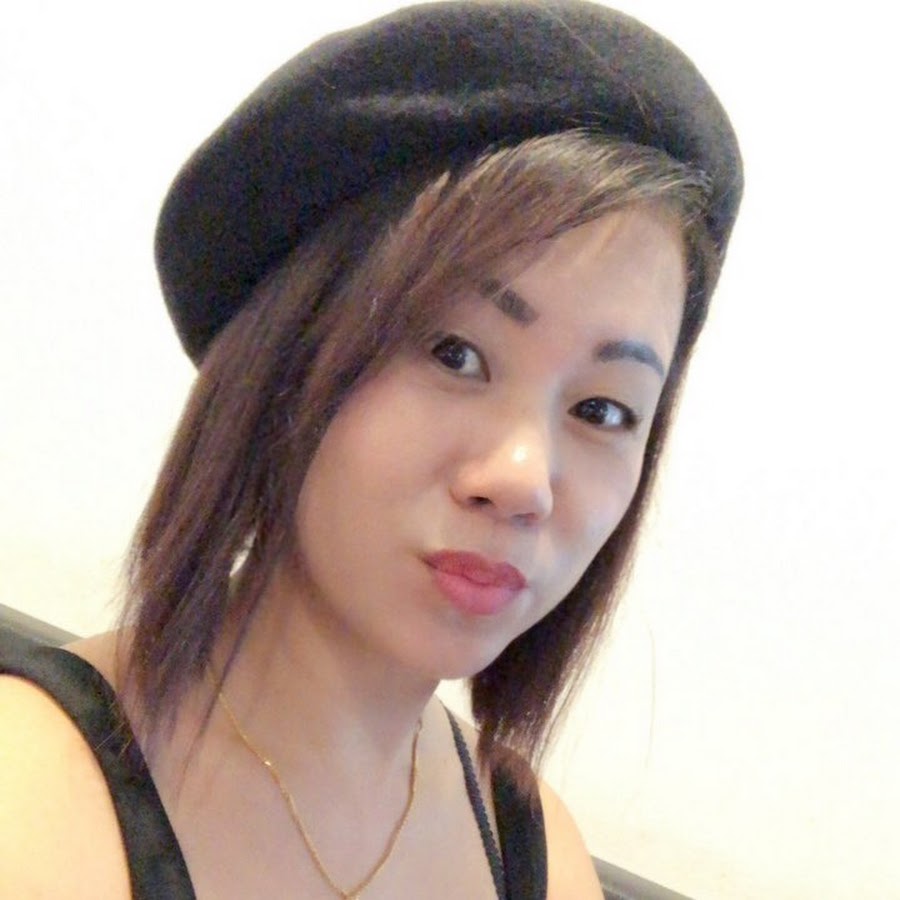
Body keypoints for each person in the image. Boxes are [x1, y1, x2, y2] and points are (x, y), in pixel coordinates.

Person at [0, 2, 742, 898]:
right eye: (455, 354)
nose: (523, 480)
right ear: (288, 354)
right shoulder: (29, 804)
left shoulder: (536, 853)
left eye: (603, 409)